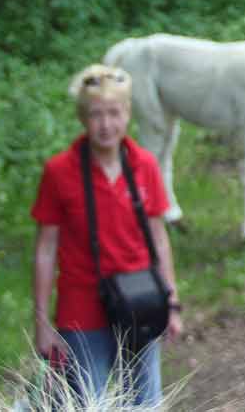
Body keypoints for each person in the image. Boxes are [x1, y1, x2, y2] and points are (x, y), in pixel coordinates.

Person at [31, 64, 183, 406]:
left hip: (140, 304)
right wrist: (42, 322)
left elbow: (159, 238)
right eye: (96, 115)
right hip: (82, 309)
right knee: (88, 402)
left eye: (114, 113)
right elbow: (45, 249)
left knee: (146, 401)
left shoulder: (144, 165)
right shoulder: (59, 171)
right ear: (82, 118)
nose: (106, 125)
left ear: (128, 113)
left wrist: (171, 303)